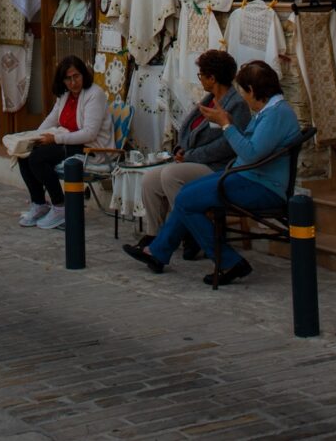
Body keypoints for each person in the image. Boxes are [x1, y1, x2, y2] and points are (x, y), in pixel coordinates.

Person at [128, 60, 301, 285]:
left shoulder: (276, 114)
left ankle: (227, 261)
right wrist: (226, 122)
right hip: (246, 177)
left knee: (186, 199)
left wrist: (226, 125)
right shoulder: (270, 112)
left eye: (245, 93)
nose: (245, 99)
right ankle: (159, 252)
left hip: (261, 185)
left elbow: (250, 153)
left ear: (252, 90)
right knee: (186, 195)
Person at [122, 49, 250, 263]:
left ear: (212, 77)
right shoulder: (208, 99)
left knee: (171, 175)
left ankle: (191, 232)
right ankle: (155, 235)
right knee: (151, 179)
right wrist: (181, 148)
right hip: (193, 159)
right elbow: (187, 128)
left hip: (217, 165)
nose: (200, 80)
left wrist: (191, 155)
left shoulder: (236, 105)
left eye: (202, 75)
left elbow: (227, 145)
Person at [18, 55, 114, 230]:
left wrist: (55, 138)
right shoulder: (65, 96)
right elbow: (51, 119)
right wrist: (34, 138)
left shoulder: (94, 94)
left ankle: (60, 206)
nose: (73, 82)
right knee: (24, 154)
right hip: (69, 142)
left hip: (89, 150)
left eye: (76, 76)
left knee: (38, 158)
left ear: (83, 74)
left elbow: (90, 133)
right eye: (68, 79)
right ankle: (39, 204)